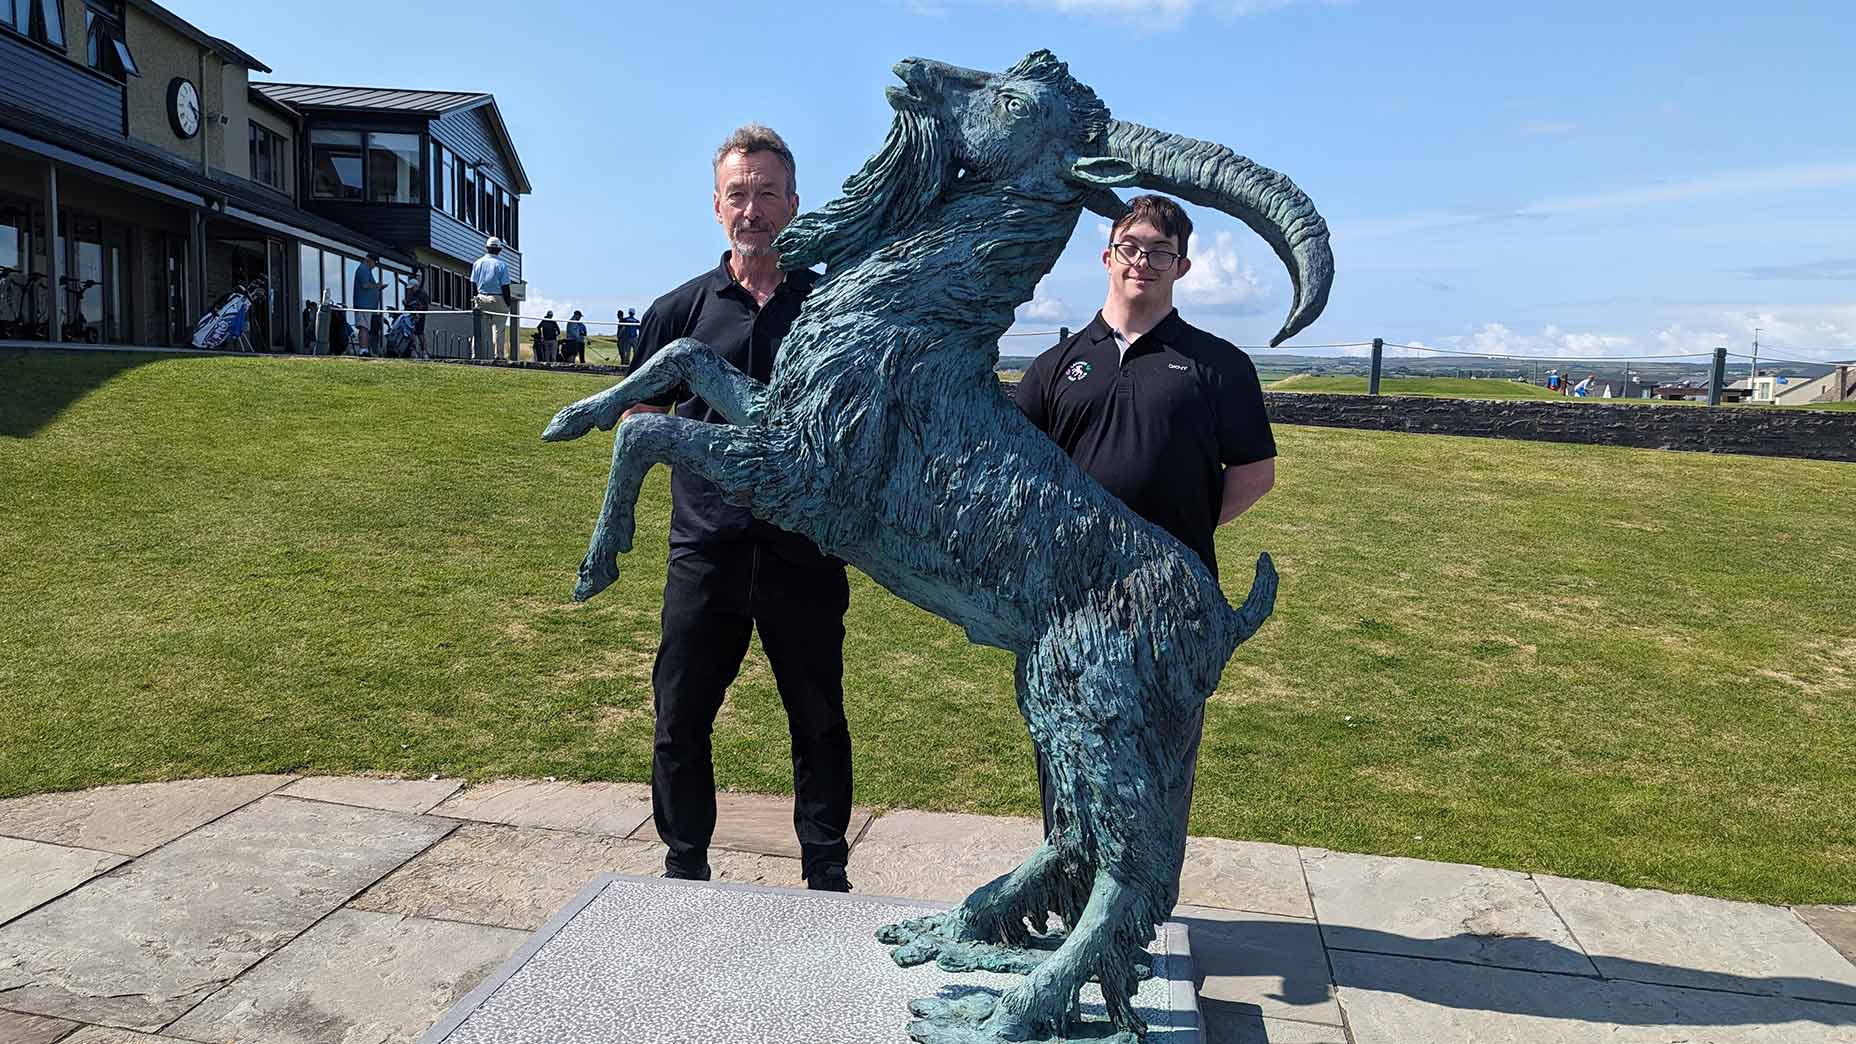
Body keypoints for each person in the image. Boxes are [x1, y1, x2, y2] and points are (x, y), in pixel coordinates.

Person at [624, 123, 853, 892]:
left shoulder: (831, 310)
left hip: (806, 552)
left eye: (765, 193)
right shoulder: (678, 312)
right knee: (680, 717)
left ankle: (826, 871)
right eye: (737, 194)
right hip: (705, 548)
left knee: (818, 721)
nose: (751, 208)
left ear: (792, 203)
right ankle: (684, 863)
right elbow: (636, 416)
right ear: (716, 207)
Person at [1014, 194, 1277, 855]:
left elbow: (1253, 473)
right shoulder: (1056, 367)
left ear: (1182, 267)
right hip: (1070, 604)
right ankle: (1067, 889)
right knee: (1068, 753)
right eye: (1132, 247)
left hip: (1173, 603)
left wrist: (1161, 543)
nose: (1144, 262)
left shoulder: (1218, 366)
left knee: (1159, 763)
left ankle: (1140, 913)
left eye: (1161, 251)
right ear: (1108, 257)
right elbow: (1019, 475)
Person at [471, 237, 513, 360]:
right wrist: (507, 303)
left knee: (478, 327)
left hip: (480, 297)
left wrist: (476, 298)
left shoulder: (477, 263)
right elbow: (505, 286)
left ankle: (475, 354)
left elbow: (473, 283)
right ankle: (498, 356)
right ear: (499, 249)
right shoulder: (501, 265)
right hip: (497, 297)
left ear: (486, 248)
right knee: (498, 329)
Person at [352, 253, 386, 356]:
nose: (374, 266)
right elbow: (365, 285)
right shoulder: (363, 269)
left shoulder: (366, 270)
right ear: (369, 260)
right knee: (363, 327)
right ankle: (363, 350)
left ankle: (365, 349)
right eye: (374, 263)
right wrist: (377, 286)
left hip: (367, 306)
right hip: (363, 305)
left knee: (366, 328)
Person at [404, 272, 431, 360]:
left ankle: (424, 351)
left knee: (420, 333)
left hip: (420, 316)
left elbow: (424, 306)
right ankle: (414, 351)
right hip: (412, 316)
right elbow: (409, 304)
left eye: (412, 288)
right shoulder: (412, 294)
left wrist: (418, 312)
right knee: (412, 333)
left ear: (415, 286)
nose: (411, 290)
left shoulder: (422, 294)